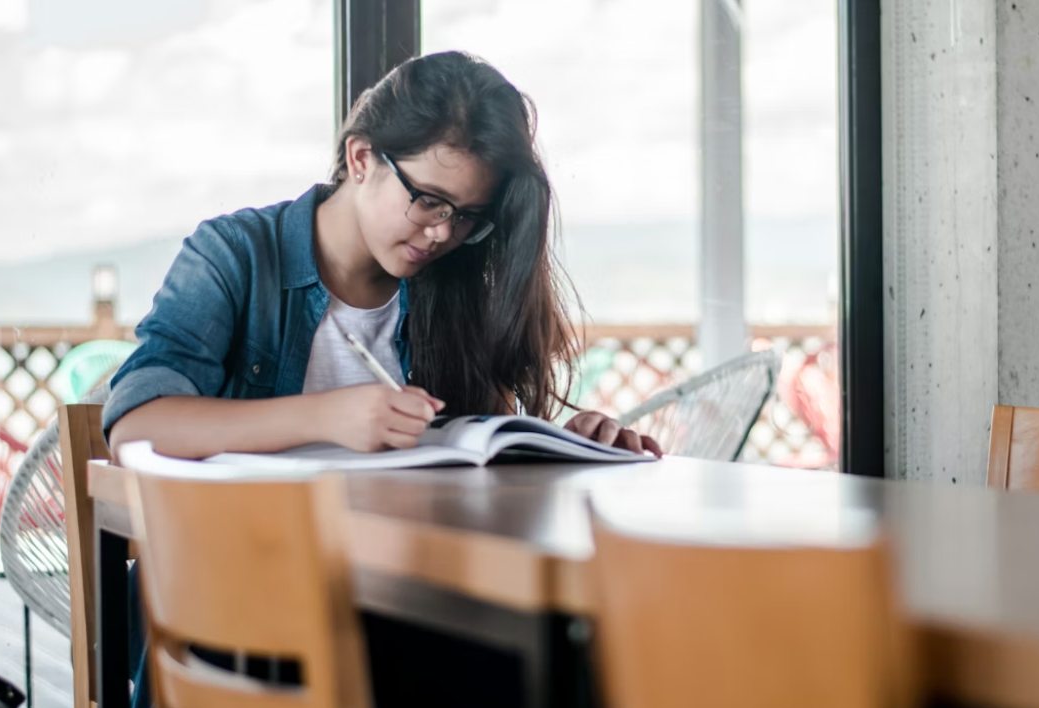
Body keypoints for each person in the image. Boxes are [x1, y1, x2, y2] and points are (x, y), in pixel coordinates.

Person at [104, 50, 662, 460]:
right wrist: (326, 415)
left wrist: (572, 445)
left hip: (394, 576)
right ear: (363, 157)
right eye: (429, 201)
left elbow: (480, 457)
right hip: (234, 577)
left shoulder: (454, 281)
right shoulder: (235, 255)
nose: (443, 233)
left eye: (466, 215)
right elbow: (136, 426)